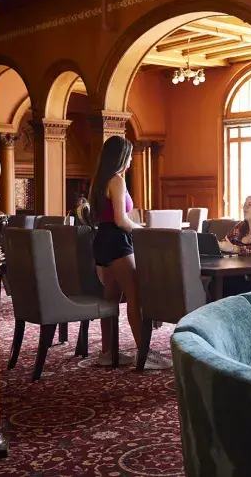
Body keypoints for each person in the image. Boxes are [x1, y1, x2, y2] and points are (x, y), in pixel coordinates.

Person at [89, 135, 170, 370]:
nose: (131, 162)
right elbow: (121, 220)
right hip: (117, 241)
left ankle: (107, 352)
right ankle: (144, 353)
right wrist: (144, 228)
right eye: (129, 156)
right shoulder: (117, 181)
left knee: (111, 298)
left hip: (102, 241)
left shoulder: (98, 180)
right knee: (136, 296)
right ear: (121, 157)